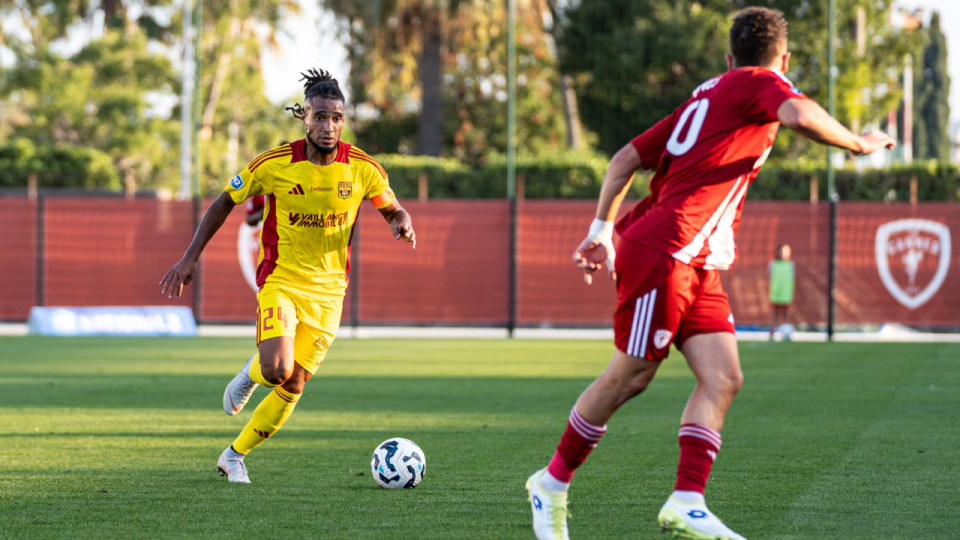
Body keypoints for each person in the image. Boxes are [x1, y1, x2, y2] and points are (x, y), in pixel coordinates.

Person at [525, 7, 894, 540]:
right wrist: (859, 143)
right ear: (782, 61)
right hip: (664, 249)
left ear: (727, 57)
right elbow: (794, 115)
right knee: (630, 375)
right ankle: (551, 483)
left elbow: (624, 159)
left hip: (696, 259)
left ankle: (687, 500)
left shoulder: (708, 95)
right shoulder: (758, 83)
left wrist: (601, 229)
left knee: (723, 377)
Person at [159, 68, 417, 484]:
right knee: (278, 368)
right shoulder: (275, 163)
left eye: (336, 117)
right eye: (319, 116)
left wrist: (401, 222)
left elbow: (392, 207)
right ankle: (252, 373)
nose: (328, 126)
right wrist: (190, 257)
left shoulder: (363, 168)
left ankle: (234, 456)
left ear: (344, 119)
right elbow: (225, 201)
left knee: (294, 383)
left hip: (331, 292)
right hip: (280, 278)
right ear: (304, 117)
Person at [769, 243, 795, 340]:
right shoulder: (773, 264)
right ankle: (772, 332)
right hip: (776, 293)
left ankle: (787, 332)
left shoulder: (790, 264)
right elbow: (770, 277)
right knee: (774, 314)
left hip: (786, 293)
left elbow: (792, 278)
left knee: (786, 313)